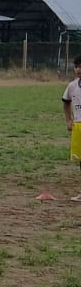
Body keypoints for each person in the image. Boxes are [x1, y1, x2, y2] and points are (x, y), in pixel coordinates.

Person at [63, 55, 81, 200]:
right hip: (78, 126)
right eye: (76, 66)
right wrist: (69, 120)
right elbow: (66, 102)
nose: (78, 69)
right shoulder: (72, 86)